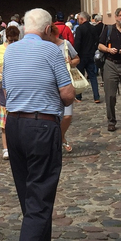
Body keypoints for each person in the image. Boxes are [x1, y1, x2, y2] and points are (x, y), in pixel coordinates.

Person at [2, 8, 75, 241]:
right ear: (47, 30)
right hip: (41, 126)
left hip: (14, 125)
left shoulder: (10, 52)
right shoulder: (51, 52)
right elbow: (68, 93)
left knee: (27, 193)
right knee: (41, 195)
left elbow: (6, 88)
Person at [0, 25, 21, 159]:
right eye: (10, 40)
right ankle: (6, 148)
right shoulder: (0, 49)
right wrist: (1, 68)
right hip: (4, 83)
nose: (13, 43)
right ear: (6, 38)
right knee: (5, 122)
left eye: (15, 40)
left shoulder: (22, 48)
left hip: (19, 83)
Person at [51, 25, 80, 153]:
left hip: (65, 83)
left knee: (67, 116)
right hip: (50, 85)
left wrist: (71, 62)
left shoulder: (65, 44)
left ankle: (60, 137)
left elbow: (77, 59)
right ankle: (57, 140)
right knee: (53, 116)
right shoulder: (44, 47)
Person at [73, 11, 101, 103]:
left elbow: (77, 43)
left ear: (82, 19)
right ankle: (96, 96)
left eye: (78, 19)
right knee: (92, 76)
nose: (78, 21)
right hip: (90, 55)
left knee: (80, 76)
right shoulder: (93, 28)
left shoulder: (79, 29)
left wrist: (75, 55)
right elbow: (97, 40)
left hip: (81, 56)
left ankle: (78, 96)